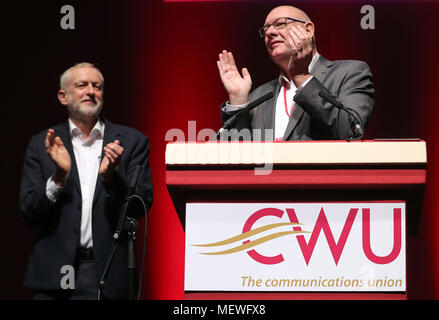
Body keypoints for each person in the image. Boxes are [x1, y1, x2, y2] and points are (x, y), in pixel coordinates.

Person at [19, 62, 153, 300]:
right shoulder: (42, 144)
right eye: (82, 85)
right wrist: (59, 178)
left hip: (105, 273)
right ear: (63, 96)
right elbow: (29, 213)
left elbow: (141, 205)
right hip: (52, 276)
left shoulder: (133, 141)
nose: (91, 91)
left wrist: (112, 178)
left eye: (97, 86)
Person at [217, 5, 374, 141]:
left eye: (280, 24)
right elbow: (235, 157)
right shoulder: (259, 96)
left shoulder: (350, 73)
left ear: (308, 30)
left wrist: (301, 77)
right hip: (268, 176)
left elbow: (351, 131)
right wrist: (238, 100)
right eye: (265, 29)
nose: (270, 32)